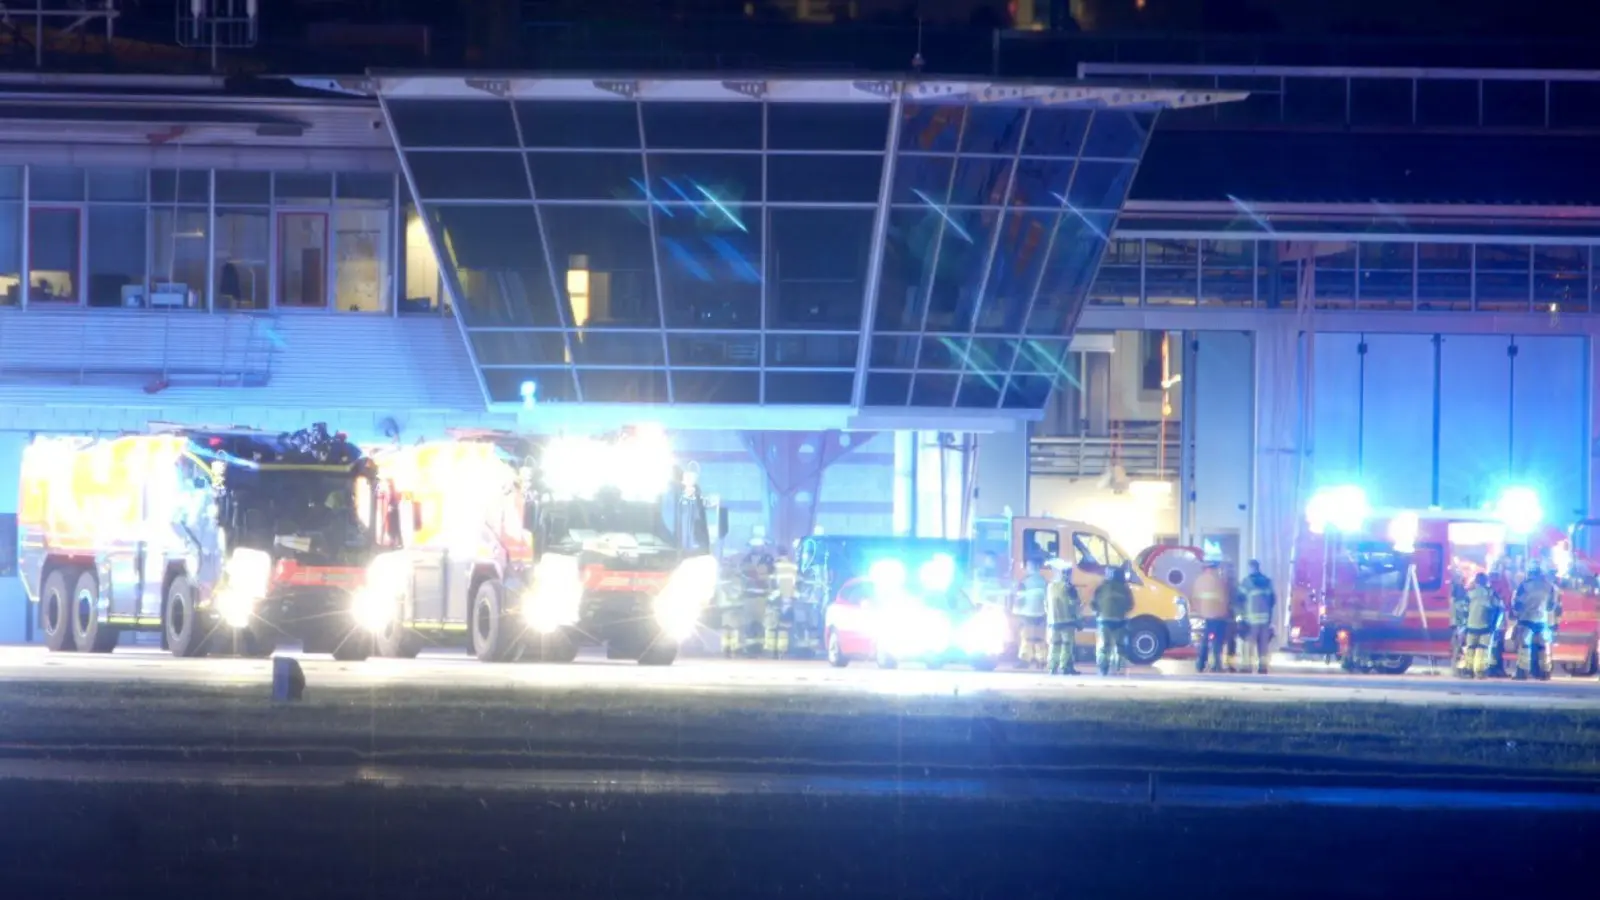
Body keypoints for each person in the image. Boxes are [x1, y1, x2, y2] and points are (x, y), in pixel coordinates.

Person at [1513, 564, 1560, 681]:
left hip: (1526, 619)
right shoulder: (1549, 586)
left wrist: (1517, 613)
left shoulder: (1524, 585)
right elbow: (1552, 605)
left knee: (1525, 646)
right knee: (1543, 647)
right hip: (1542, 620)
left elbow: (1517, 603)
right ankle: (1545, 672)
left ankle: (1522, 671)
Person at [1091, 565, 1135, 676]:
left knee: (1105, 646)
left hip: (1103, 620)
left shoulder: (1101, 587)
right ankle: (1119, 669)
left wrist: (1099, 612)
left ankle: (1103, 667)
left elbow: (1093, 604)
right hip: (1119, 620)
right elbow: (1131, 605)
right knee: (1120, 646)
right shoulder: (1125, 589)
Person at [1458, 572, 1503, 679]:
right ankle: (1480, 671)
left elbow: (1463, 610)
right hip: (1486, 626)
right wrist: (1495, 626)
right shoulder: (1491, 593)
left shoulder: (1470, 593)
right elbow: (1499, 609)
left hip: (1471, 626)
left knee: (1470, 648)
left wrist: (1463, 626)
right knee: (1483, 649)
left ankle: (1468, 670)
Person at [1190, 559, 1232, 673]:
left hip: (1204, 616)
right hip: (1217, 617)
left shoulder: (1199, 580)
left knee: (1204, 641)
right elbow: (1224, 601)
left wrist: (1199, 612)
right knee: (1217, 642)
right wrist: (1225, 614)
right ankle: (1217, 665)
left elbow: (1194, 599)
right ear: (1214, 568)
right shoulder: (1218, 581)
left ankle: (1200, 664)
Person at [1236, 560, 1276, 674]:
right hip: (1265, 619)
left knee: (1249, 643)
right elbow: (1273, 600)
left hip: (1251, 619)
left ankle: (1247, 667)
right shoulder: (1267, 582)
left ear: (1251, 568)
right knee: (1263, 645)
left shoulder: (1247, 582)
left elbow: (1239, 599)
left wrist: (1240, 616)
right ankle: (1263, 667)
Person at [1044, 560, 1081, 676]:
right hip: (1067, 621)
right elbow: (1074, 604)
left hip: (1053, 621)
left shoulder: (1050, 586)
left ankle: (1052, 667)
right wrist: (1077, 619)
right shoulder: (1068, 587)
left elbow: (1046, 604)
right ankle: (1065, 667)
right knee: (1067, 646)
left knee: (1054, 645)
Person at [764, 552, 799, 659]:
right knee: (784, 627)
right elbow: (797, 583)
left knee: (772, 626)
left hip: (775, 599)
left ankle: (771, 651)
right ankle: (782, 651)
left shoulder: (774, 566)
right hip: (788, 599)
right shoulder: (794, 567)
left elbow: (770, 583)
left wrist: (770, 597)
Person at [1014, 560, 1048, 669]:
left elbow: (1019, 598)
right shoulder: (1044, 581)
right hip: (1041, 613)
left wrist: (1016, 611)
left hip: (1027, 613)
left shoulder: (1025, 581)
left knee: (1026, 637)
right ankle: (1041, 659)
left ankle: (1025, 659)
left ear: (1029, 567)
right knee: (1039, 637)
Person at [1449, 573, 1472, 672]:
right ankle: (1457, 669)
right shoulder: (1461, 602)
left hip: (1456, 626)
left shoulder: (1453, 600)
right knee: (1460, 648)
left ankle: (1455, 668)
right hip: (1460, 626)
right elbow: (1463, 614)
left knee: (1457, 648)